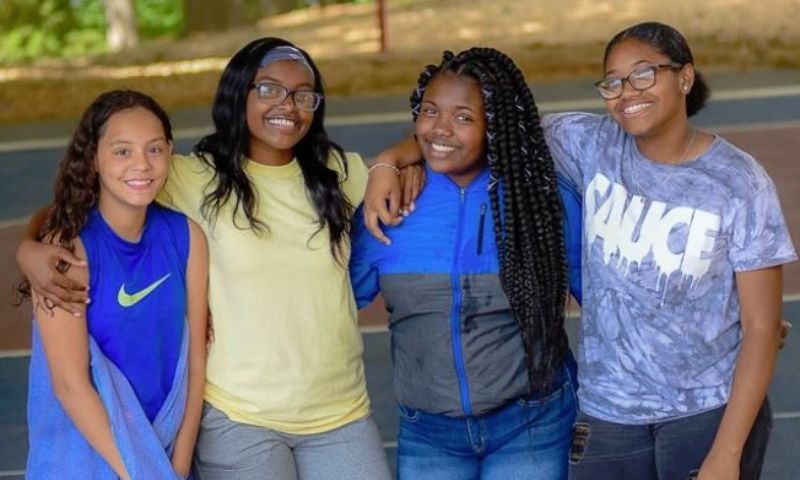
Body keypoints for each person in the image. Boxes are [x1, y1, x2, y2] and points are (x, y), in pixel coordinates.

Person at [366, 22, 797, 480]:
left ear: (685, 78)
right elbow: (470, 130)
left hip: (703, 410)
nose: (627, 91)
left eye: (644, 74)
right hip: (607, 415)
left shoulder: (738, 181)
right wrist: (389, 160)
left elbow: (763, 325)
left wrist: (727, 454)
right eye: (613, 80)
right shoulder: (588, 143)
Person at [17, 38, 400, 480]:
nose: (288, 105)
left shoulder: (340, 173)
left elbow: (414, 164)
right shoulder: (196, 176)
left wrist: (391, 160)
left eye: (303, 95)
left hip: (341, 412)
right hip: (240, 414)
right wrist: (31, 248)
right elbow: (84, 199)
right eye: (269, 89)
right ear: (239, 93)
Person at [350, 48, 583, 479]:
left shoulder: (539, 204)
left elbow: (604, 303)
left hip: (531, 421)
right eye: (430, 111)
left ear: (496, 126)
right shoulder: (392, 200)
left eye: (463, 117)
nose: (440, 129)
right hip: (429, 431)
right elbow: (339, 296)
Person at [18, 90, 209, 479]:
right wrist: (140, 473)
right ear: (94, 158)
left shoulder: (187, 237)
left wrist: (179, 465)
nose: (141, 164)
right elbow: (70, 384)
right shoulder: (67, 252)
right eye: (122, 151)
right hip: (96, 453)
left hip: (166, 446)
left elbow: (196, 361)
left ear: (170, 151)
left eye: (154, 149)